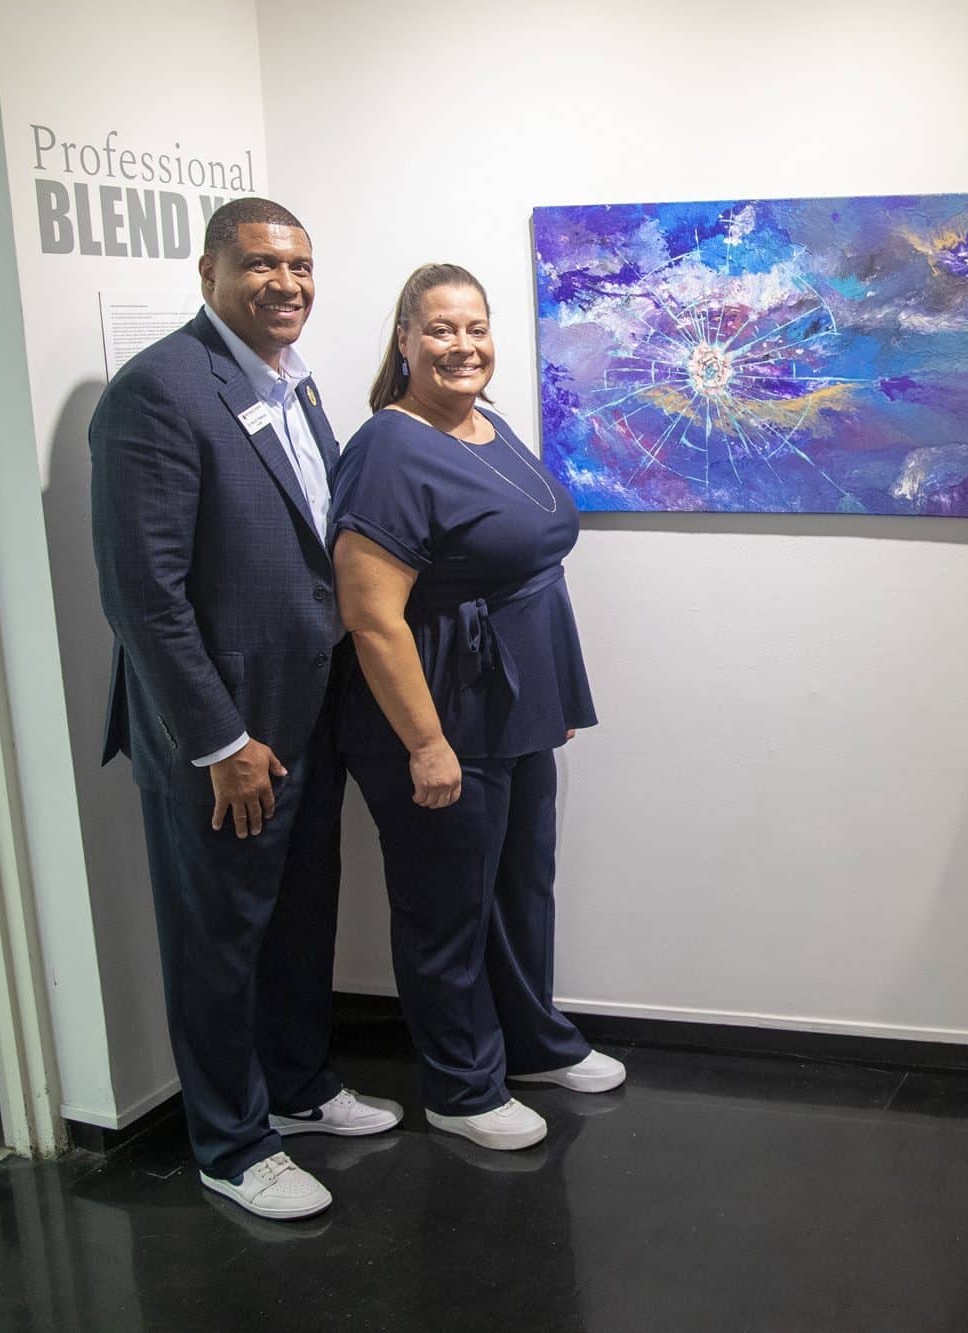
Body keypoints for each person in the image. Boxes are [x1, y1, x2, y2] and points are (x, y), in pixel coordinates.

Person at [90, 197, 401, 1221]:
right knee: (218, 938)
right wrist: (220, 740)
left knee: (300, 916)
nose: (287, 284)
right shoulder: (159, 392)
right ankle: (229, 1142)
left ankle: (299, 1087)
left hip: (307, 712)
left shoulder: (291, 381)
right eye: (263, 265)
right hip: (226, 734)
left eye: (300, 266)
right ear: (209, 272)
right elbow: (143, 595)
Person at [330, 263, 623, 1152]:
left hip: (515, 709)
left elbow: (524, 571)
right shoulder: (390, 446)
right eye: (441, 329)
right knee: (446, 905)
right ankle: (461, 1087)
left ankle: (531, 1043)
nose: (463, 346)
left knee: (521, 889)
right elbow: (371, 615)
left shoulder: (485, 425)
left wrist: (552, 693)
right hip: (440, 711)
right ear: (405, 342)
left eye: (476, 327)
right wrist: (425, 742)